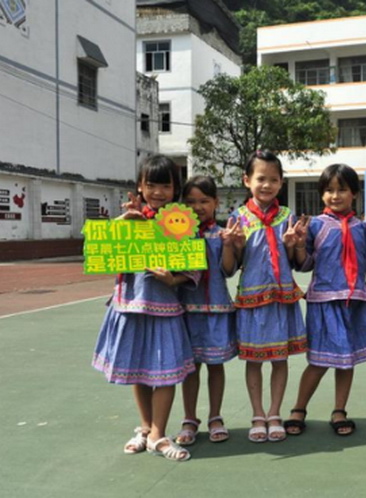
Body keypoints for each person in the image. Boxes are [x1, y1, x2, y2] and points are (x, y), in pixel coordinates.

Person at [92, 155, 195, 461]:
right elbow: (101, 249)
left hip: (165, 308)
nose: (158, 192)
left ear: (175, 189)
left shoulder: (181, 222)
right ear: (140, 185)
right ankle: (146, 427)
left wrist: (173, 279)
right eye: (151, 185)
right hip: (130, 305)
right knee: (138, 369)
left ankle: (158, 435)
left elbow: (193, 267)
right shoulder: (129, 219)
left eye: (166, 186)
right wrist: (124, 223)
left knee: (166, 373)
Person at [284, 164, 366, 436]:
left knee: (346, 360)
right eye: (329, 190)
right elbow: (305, 264)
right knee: (318, 361)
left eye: (342, 189)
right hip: (325, 302)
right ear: (321, 194)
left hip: (355, 301)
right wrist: (299, 244)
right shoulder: (315, 225)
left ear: (354, 193)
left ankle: (340, 410)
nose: (335, 195)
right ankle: (298, 408)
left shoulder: (363, 227)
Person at [224, 150, 307, 443]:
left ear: (281, 183)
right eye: (261, 178)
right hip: (253, 298)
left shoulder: (287, 217)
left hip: (282, 298)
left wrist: (294, 245)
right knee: (255, 359)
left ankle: (275, 413)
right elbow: (230, 268)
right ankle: (258, 414)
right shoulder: (238, 218)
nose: (267, 185)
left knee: (280, 358)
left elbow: (297, 262)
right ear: (247, 180)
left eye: (273, 179)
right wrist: (233, 245)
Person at [175, 176, 238, 446]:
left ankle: (215, 417)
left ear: (216, 202)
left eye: (204, 201)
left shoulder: (222, 234)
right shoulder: (177, 234)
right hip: (186, 310)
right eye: (190, 201)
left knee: (215, 365)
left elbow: (228, 270)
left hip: (216, 310)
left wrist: (228, 244)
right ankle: (189, 419)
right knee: (190, 368)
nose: (198, 207)